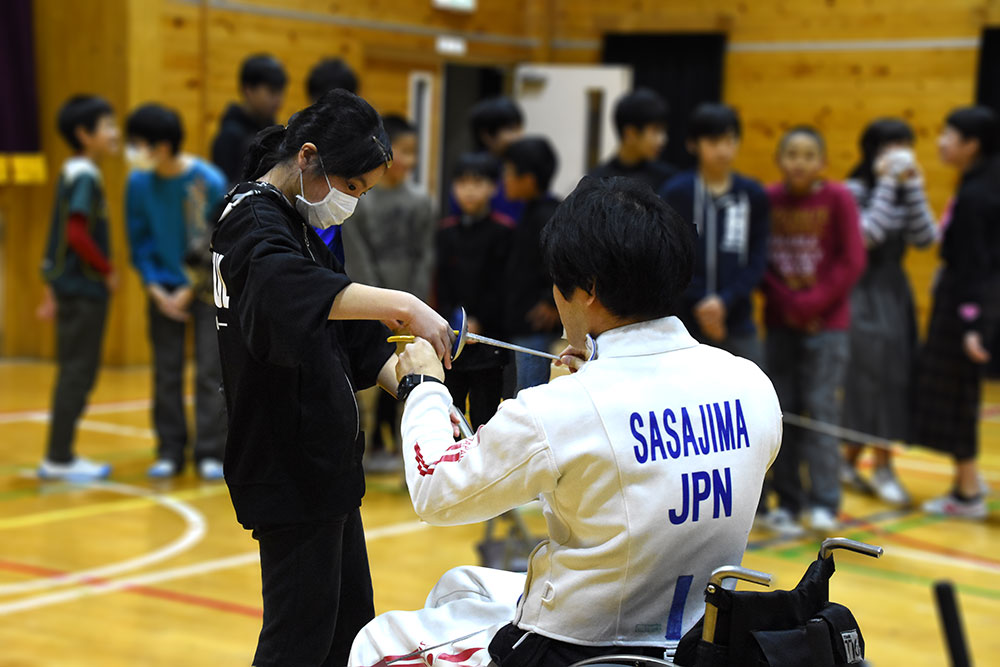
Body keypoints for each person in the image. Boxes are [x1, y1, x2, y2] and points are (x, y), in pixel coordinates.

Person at [350, 177, 782, 667]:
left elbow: (437, 493)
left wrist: (422, 387)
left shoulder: (563, 408)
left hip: (582, 650)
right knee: (460, 586)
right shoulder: (752, 383)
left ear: (589, 289)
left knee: (378, 643)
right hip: (698, 640)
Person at [210, 89, 453, 666]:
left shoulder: (299, 222)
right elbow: (281, 294)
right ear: (309, 158)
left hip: (326, 465)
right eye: (352, 188)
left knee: (350, 633)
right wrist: (403, 303)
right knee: (298, 643)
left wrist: (419, 386)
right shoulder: (249, 216)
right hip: (287, 468)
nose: (353, 202)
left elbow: (343, 335)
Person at [759, 126, 866, 534]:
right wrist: (789, 304)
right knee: (783, 414)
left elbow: (851, 261)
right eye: (791, 154)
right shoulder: (768, 200)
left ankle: (824, 499)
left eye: (808, 154)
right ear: (780, 160)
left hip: (828, 326)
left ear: (822, 162)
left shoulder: (838, 199)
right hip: (781, 324)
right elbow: (762, 263)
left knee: (821, 411)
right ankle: (788, 498)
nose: (799, 161)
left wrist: (810, 304)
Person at [124, 103, 229, 480]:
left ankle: (210, 451)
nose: (132, 151)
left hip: (203, 291)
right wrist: (154, 287)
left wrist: (189, 287)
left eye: (138, 143)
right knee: (165, 372)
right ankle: (169, 449)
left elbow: (215, 240)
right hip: (161, 291)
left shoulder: (208, 180)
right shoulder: (138, 184)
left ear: (162, 146)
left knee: (208, 372)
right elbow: (139, 241)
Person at [840, 118, 937, 506]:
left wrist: (912, 186)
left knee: (895, 376)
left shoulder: (905, 187)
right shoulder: (854, 189)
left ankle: (850, 461)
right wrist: (886, 184)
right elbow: (867, 237)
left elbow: (926, 238)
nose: (897, 156)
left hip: (896, 292)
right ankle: (881, 467)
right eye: (889, 147)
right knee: (871, 378)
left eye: (904, 146)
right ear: (872, 150)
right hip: (863, 293)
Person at [912, 106, 1000, 519]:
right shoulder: (980, 184)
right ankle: (969, 482)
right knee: (959, 394)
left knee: (957, 397)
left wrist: (972, 324)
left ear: (972, 144)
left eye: (949, 135)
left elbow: (977, 267)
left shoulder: (979, 194)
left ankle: (967, 493)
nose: (940, 142)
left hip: (966, 310)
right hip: (975, 306)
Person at [342, 114, 435, 471]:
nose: (406, 162)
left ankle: (405, 449)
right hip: (370, 304)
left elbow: (425, 256)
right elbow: (359, 256)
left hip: (409, 307)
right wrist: (381, 301)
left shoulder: (421, 202)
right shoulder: (362, 201)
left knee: (408, 371)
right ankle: (369, 445)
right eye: (401, 152)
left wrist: (413, 303)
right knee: (371, 373)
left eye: (413, 153)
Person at [37, 95, 119, 481]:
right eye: (108, 126)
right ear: (84, 135)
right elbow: (74, 233)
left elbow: (56, 236)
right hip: (84, 291)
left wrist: (50, 284)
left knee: (75, 372)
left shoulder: (74, 172)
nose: (115, 133)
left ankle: (60, 454)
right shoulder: (84, 174)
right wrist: (107, 270)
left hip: (71, 288)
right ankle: (59, 457)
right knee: (77, 373)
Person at [660, 103, 770, 363]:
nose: (723, 149)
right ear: (693, 144)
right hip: (686, 322)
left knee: (757, 391)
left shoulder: (752, 194)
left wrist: (725, 302)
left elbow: (758, 258)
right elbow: (669, 257)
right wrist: (702, 302)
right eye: (713, 141)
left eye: (730, 140)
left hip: (739, 318)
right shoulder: (676, 193)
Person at [436, 152, 515, 428]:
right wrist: (451, 320)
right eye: (462, 182)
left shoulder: (504, 232)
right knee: (452, 415)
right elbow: (441, 285)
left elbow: (503, 287)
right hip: (453, 340)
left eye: (477, 182)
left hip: (488, 341)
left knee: (485, 419)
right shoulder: (446, 233)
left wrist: (479, 321)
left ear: (493, 187)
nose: (468, 190)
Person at [502, 136, 562, 391]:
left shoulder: (548, 214)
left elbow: (562, 261)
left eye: (508, 172)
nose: (504, 179)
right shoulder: (527, 210)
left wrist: (550, 300)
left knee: (527, 396)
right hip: (520, 324)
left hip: (533, 327)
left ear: (528, 179)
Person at [211, 53, 287, 186]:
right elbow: (224, 193)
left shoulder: (276, 132)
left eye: (281, 92)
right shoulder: (229, 137)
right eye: (272, 92)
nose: (278, 100)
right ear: (248, 89)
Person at [451, 96, 525, 221]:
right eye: (511, 129)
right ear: (487, 135)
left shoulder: (520, 167)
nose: (519, 135)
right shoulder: (470, 172)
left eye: (519, 128)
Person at [590, 87, 677, 192]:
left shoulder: (669, 180)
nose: (663, 140)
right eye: (656, 131)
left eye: (663, 131)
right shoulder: (598, 181)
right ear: (630, 133)